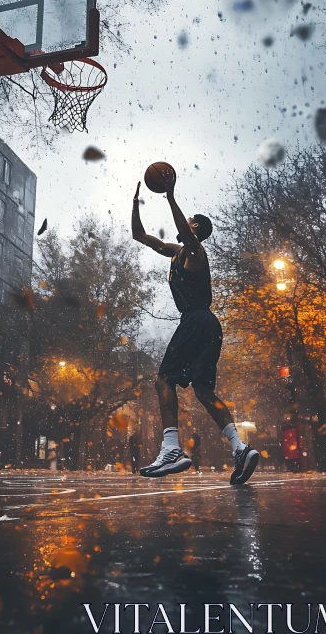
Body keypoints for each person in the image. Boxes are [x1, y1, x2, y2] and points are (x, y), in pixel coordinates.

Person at [131, 177, 259, 485]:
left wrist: (170, 196)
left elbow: (189, 238)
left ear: (196, 228)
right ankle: (240, 448)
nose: (185, 224)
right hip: (207, 325)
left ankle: (171, 449)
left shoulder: (195, 252)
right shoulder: (176, 251)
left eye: (189, 222)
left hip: (196, 320)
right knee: (203, 391)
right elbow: (140, 236)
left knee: (164, 380)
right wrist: (135, 204)